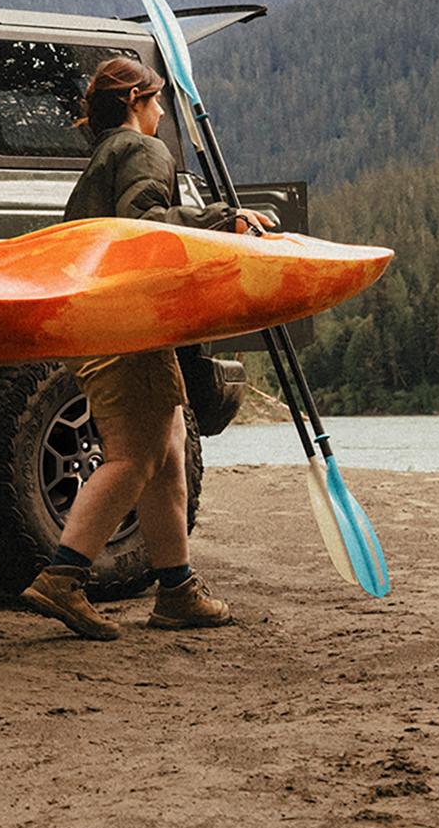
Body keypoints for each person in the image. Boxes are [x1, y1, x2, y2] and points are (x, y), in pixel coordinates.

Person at [19, 55, 273, 641]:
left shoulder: (102, 157)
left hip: (101, 324)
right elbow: (145, 224)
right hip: (125, 324)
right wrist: (223, 219)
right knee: (135, 455)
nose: (160, 112)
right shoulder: (141, 151)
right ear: (136, 99)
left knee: (168, 448)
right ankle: (63, 576)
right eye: (155, 101)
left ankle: (177, 589)